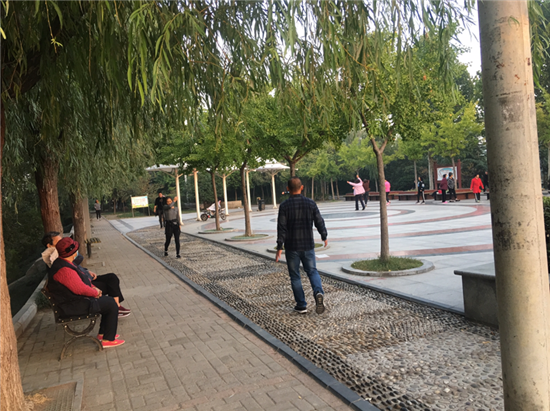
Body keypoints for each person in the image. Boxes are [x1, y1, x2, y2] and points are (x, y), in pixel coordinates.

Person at [48, 237, 125, 347]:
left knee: (107, 302)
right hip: (71, 305)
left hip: (72, 301)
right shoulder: (64, 269)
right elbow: (79, 289)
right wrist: (95, 293)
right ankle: (108, 339)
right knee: (110, 303)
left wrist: (93, 288)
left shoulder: (65, 263)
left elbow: (82, 281)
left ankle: (103, 334)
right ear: (72, 252)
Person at [41, 232, 131, 317]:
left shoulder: (64, 252)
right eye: (59, 241)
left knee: (111, 277)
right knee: (110, 285)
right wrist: (94, 290)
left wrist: (86, 271)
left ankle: (116, 306)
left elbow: (77, 263)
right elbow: (76, 284)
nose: (62, 242)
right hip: (82, 285)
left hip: (85, 277)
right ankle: (115, 308)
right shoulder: (54, 257)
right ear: (49, 245)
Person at [275, 177, 327, 315]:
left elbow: (282, 228)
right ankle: (318, 292)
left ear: (288, 189)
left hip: (292, 247)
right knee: (312, 271)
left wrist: (279, 247)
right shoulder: (310, 203)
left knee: (295, 276)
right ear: (302, 187)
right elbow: (319, 220)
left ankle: (301, 305)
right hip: (308, 244)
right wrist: (324, 235)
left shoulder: (284, 206)